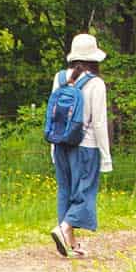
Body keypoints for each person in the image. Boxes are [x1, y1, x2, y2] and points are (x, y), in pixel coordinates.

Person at [49, 32, 112, 259]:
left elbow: (55, 115)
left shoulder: (59, 78)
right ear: (94, 58)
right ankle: (64, 228)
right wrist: (105, 155)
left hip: (61, 144)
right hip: (86, 146)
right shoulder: (96, 83)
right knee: (84, 192)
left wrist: (52, 147)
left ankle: (70, 242)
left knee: (65, 190)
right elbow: (99, 122)